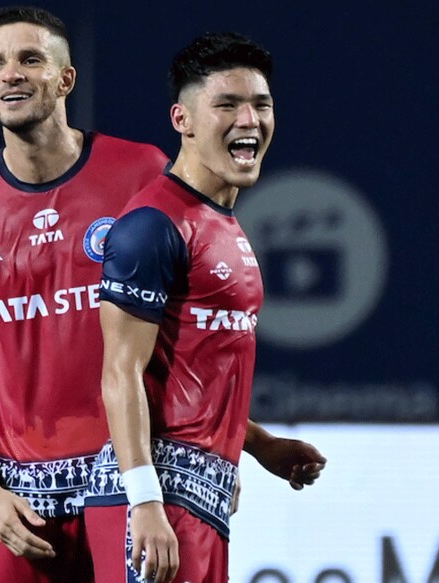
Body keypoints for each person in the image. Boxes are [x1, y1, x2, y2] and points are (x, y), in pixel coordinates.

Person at [0, 6, 169, 582]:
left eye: (30, 59)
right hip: (23, 489)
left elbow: (188, 326)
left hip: (127, 469)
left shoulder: (142, 172)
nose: (10, 73)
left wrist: (218, 449)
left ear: (66, 79)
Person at [83, 32, 327, 583]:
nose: (249, 120)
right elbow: (120, 373)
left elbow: (190, 373)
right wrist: (144, 501)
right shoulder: (152, 226)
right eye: (227, 105)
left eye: (261, 105)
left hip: (201, 499)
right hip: (155, 500)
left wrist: (259, 444)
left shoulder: (221, 223)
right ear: (183, 120)